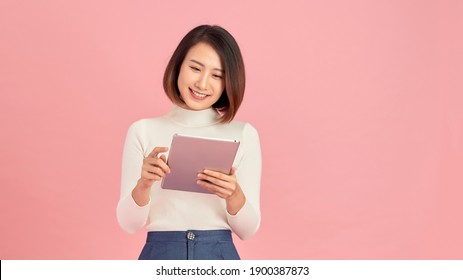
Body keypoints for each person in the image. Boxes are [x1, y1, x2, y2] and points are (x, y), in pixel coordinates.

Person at [117, 25, 262, 260]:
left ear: (229, 82)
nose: (202, 84)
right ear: (178, 66)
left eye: (217, 75)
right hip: (160, 255)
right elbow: (128, 224)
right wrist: (144, 184)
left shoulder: (244, 134)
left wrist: (233, 194)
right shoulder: (142, 131)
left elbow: (248, 230)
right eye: (195, 68)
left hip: (219, 256)